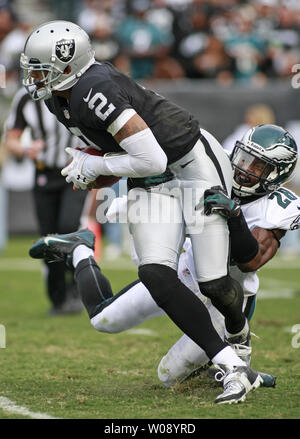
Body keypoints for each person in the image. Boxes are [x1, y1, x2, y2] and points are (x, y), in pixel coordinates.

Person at [21, 20, 263, 404]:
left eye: (40, 68)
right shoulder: (59, 98)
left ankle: (240, 347)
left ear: (67, 65)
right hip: (154, 179)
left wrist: (96, 167)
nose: (33, 76)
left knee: (214, 282)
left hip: (192, 164)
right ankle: (232, 366)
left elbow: (150, 157)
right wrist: (90, 168)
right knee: (155, 274)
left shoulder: (91, 88)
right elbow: (122, 156)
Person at [3, 87, 87, 315]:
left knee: (68, 226)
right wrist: (24, 148)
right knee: (49, 238)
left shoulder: (77, 87)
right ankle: (58, 297)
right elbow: (11, 138)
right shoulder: (25, 96)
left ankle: (75, 284)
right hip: (44, 173)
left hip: (75, 171)